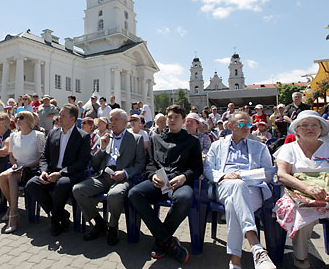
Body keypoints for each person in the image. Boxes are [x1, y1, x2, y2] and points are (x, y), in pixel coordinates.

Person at [128, 105, 202, 263]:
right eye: (170, 117)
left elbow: (196, 168)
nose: (173, 120)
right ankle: (167, 241)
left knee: (185, 198)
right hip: (159, 181)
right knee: (134, 193)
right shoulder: (156, 138)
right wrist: (153, 174)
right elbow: (149, 163)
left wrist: (183, 177)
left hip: (179, 182)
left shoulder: (192, 141)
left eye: (176, 117)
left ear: (183, 120)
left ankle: (161, 240)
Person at [203, 111, 276, 269]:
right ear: (230, 126)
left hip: (252, 189)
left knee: (232, 204)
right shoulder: (217, 146)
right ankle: (256, 245)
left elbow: (269, 173)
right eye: (241, 124)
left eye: (249, 124)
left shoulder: (260, 147)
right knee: (236, 186)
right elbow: (208, 169)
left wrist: (243, 177)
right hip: (223, 185)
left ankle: (235, 261)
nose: (246, 127)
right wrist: (224, 176)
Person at [72, 108, 145, 245]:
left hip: (122, 178)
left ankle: (113, 226)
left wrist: (125, 173)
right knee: (78, 189)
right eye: (111, 119)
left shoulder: (136, 139)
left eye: (115, 119)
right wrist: (102, 148)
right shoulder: (106, 138)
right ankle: (99, 223)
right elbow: (94, 164)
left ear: (125, 122)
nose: (112, 122)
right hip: (103, 176)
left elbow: (141, 164)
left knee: (115, 195)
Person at [274, 110, 329, 269]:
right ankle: (301, 257)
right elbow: (282, 175)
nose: (309, 128)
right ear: (296, 129)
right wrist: (308, 188)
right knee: (301, 212)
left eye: (314, 125)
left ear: (320, 129)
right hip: (297, 192)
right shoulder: (289, 148)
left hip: (326, 191)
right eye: (304, 125)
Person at [25, 104, 90, 237]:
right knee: (32, 184)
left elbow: (81, 163)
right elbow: (44, 157)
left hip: (71, 174)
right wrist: (43, 171)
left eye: (62, 115)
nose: (58, 117)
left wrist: (60, 173)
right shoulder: (53, 133)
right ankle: (60, 214)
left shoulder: (83, 137)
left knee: (62, 184)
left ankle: (55, 220)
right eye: (59, 114)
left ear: (72, 119)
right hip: (51, 172)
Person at [0, 111, 45, 233]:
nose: (18, 119)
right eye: (17, 117)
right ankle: (12, 208)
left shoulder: (38, 135)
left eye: (21, 117)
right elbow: (11, 157)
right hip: (18, 166)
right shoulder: (14, 136)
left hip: (32, 168)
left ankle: (13, 215)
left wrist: (27, 166)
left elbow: (41, 157)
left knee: (12, 177)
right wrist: (14, 164)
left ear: (29, 120)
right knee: (2, 176)